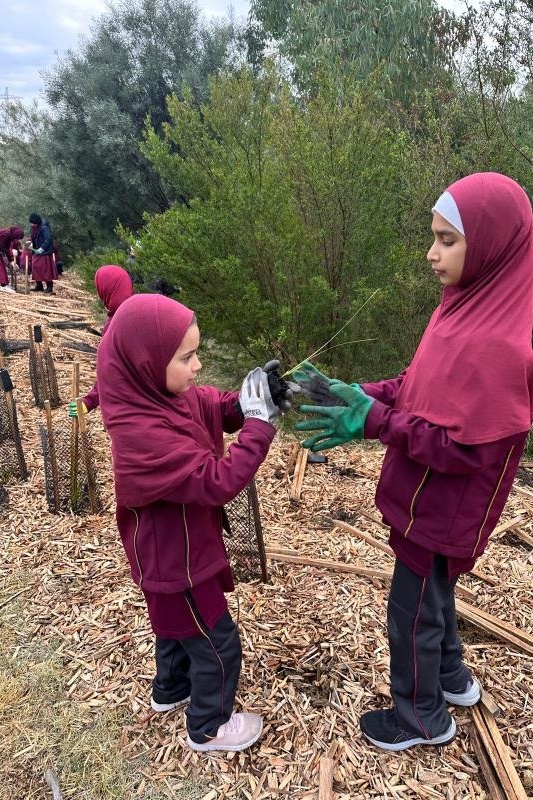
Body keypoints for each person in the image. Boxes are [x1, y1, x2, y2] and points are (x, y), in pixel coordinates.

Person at [292, 172, 533, 752]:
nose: (431, 253)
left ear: (494, 242)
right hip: (427, 501)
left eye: (448, 240)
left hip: (443, 508)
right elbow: (416, 384)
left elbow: (463, 449)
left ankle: (422, 717)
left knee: (412, 611)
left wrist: (371, 422)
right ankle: (451, 679)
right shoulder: (463, 308)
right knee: (436, 595)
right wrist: (358, 393)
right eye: (433, 237)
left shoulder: (500, 344)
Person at [97, 293, 292, 753]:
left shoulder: (164, 396)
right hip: (179, 562)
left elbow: (210, 405)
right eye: (187, 357)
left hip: (171, 554)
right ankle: (208, 725)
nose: (198, 366)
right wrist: (259, 427)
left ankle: (170, 689)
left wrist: (246, 402)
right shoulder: (139, 435)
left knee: (174, 627)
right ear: (146, 363)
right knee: (217, 642)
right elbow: (217, 482)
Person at [68, 265, 133, 417]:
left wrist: (89, 402)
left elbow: (112, 371)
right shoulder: (141, 310)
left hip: (130, 409)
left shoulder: (117, 324)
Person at [28, 212, 57, 293]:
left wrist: (42, 249)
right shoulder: (32, 226)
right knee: (35, 267)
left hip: (45, 252)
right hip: (36, 251)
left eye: (34, 223)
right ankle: (39, 286)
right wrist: (32, 243)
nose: (32, 224)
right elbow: (33, 237)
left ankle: (49, 287)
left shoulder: (44, 227)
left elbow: (48, 239)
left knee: (46, 270)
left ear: (37, 222)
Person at [0, 225, 24, 292]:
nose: (17, 240)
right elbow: (2, 246)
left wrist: (11, 261)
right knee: (0, 267)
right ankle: (3, 285)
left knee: (2, 267)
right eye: (18, 238)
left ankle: (4, 284)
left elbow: (6, 248)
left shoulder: (9, 236)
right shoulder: (6, 234)